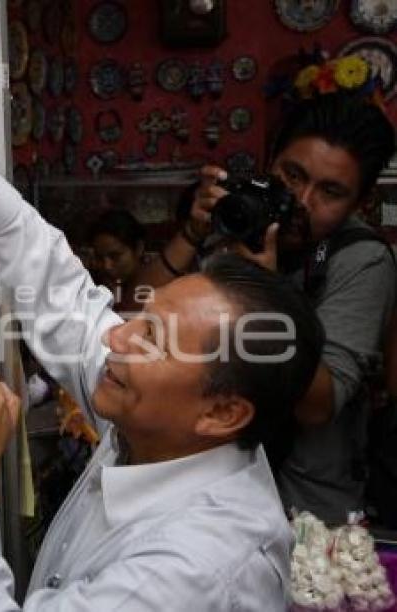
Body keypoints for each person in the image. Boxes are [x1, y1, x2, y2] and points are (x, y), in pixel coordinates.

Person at [0, 24, 323, 610]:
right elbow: (64, 294)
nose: (116, 335)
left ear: (222, 412)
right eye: (142, 317)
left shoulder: (196, 569)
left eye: (153, 339)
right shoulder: (165, 423)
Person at [136, 91, 397, 525]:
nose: (302, 201)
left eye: (330, 192)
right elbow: (137, 315)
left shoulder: (360, 258)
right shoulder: (244, 220)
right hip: (204, 487)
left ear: (359, 203)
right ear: (269, 161)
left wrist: (265, 288)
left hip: (303, 507)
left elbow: (318, 406)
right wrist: (193, 232)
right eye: (292, 175)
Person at [88, 209, 146, 307]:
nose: (107, 266)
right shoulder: (93, 287)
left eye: (115, 256)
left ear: (138, 248)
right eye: (99, 258)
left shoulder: (158, 289)